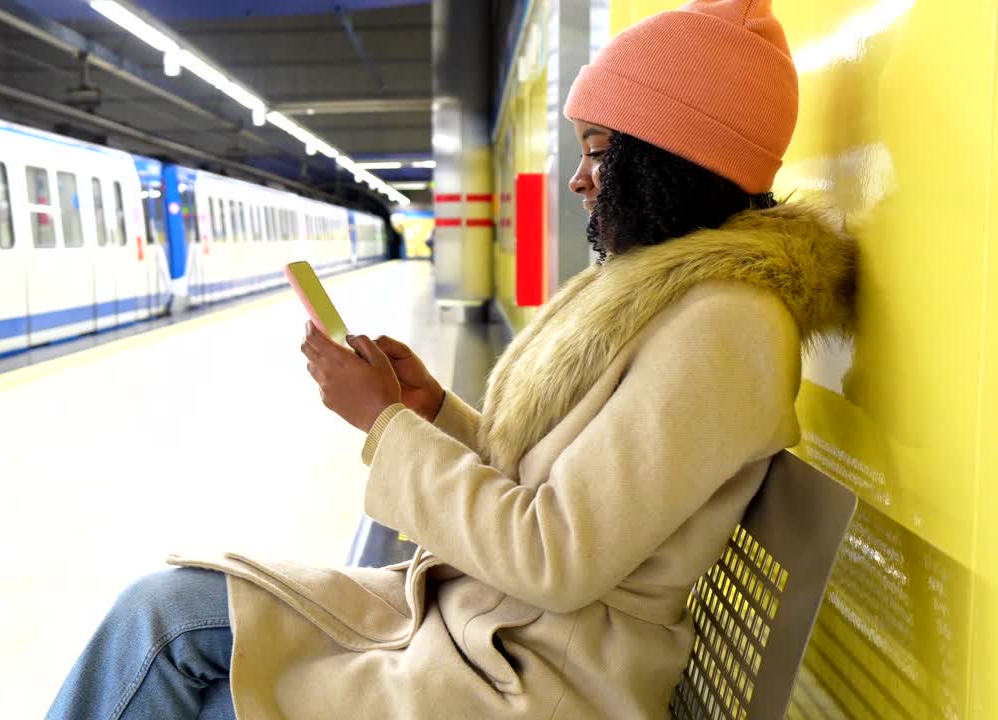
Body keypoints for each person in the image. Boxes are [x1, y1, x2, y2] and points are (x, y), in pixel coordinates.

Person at [46, 0, 858, 717]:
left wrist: (385, 422)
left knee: (176, 655)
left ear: (673, 157)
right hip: (493, 636)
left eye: (601, 151)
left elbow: (554, 555)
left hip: (532, 682)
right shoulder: (678, 300)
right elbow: (556, 491)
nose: (579, 180)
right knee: (158, 611)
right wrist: (435, 411)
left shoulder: (728, 328)